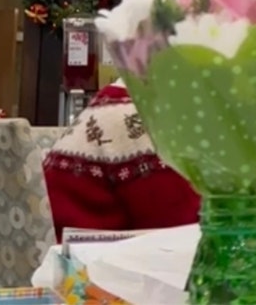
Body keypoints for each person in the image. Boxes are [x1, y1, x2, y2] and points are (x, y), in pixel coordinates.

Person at [43, 80, 200, 240]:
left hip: (61, 253)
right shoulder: (147, 118)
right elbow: (179, 232)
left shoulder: (113, 103)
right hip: (90, 259)